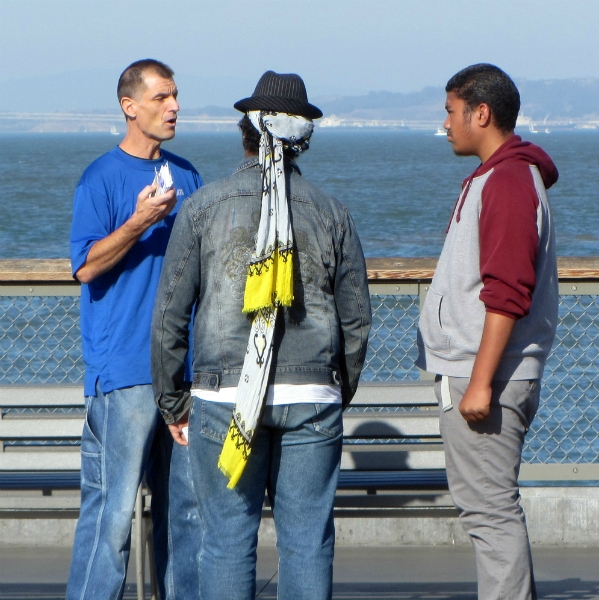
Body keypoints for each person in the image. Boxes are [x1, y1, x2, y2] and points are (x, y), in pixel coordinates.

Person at [151, 70, 372, 600]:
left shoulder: (204, 207)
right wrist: (337, 388)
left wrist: (173, 401)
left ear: (243, 132)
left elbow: (169, 317)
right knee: (307, 542)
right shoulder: (332, 213)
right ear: (302, 138)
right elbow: (356, 320)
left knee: (226, 541)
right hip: (311, 396)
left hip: (222, 395)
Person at [417, 63, 559, 600]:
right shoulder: (500, 177)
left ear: (482, 113)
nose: (446, 124)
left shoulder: (506, 182)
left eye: (451, 112)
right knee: (489, 511)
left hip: (486, 375)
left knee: (491, 514)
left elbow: (506, 291)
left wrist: (479, 382)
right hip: (483, 370)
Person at [67, 59, 203, 600]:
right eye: (162, 97)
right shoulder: (100, 178)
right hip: (124, 372)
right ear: (130, 106)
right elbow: (86, 266)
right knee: (112, 514)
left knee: (187, 515)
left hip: (187, 373)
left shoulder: (188, 175)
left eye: (176, 97)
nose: (174, 107)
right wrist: (139, 222)